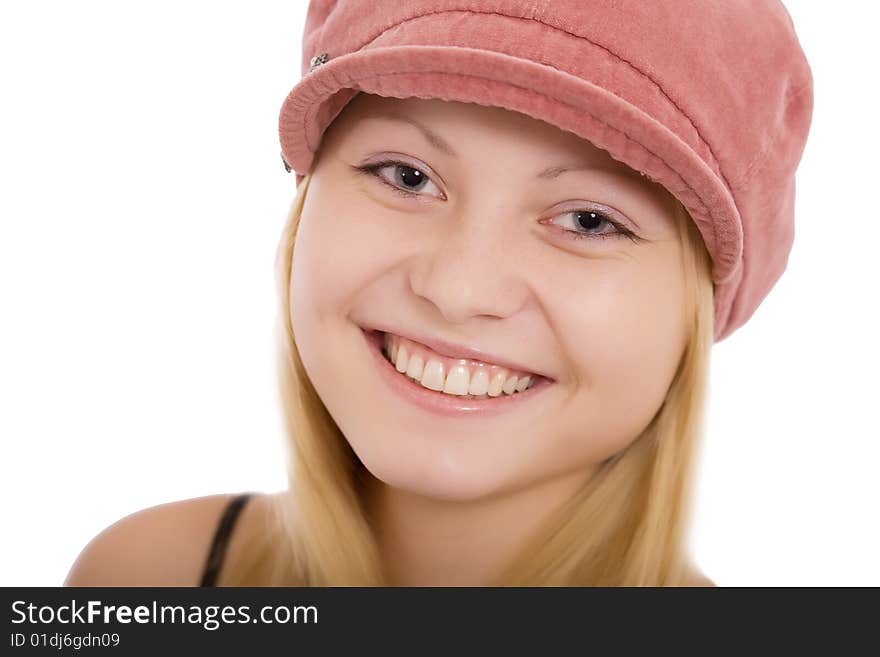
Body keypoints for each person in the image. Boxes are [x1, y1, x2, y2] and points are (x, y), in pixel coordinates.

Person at [65, 0, 813, 587]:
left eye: (589, 219)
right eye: (407, 175)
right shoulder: (144, 581)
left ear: (698, 307)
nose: (458, 290)